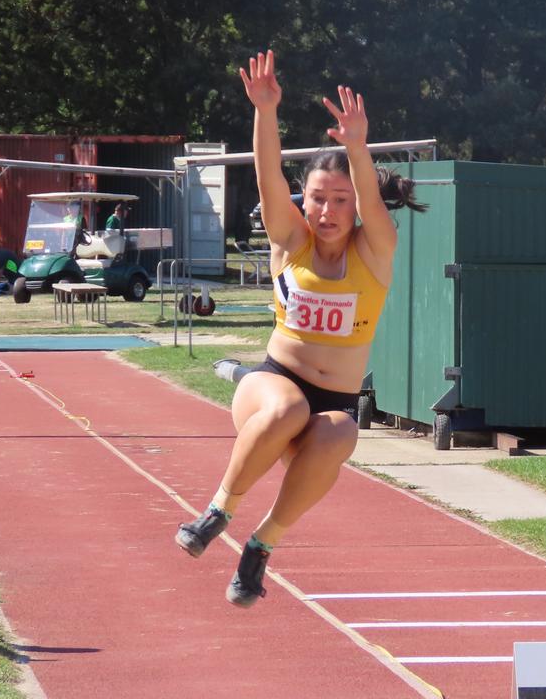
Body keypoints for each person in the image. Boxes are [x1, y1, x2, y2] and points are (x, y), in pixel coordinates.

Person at [174, 49, 426, 608]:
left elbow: (368, 207)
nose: (328, 211)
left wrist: (357, 148)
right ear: (303, 201)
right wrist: (265, 111)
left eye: (342, 200)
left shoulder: (376, 251)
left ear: (357, 205)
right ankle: (218, 510)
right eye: (317, 198)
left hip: (333, 397)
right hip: (273, 382)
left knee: (341, 433)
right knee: (286, 409)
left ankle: (260, 546)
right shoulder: (292, 241)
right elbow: (267, 178)